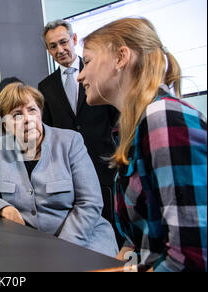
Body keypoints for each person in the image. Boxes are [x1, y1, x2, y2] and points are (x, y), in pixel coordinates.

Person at [77, 17, 207, 272]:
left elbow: (190, 260)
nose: (80, 75)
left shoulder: (163, 118)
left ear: (121, 57)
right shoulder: (136, 127)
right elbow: (141, 247)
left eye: (87, 62)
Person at [0, 82, 119, 257]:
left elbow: (90, 202)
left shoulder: (70, 141)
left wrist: (62, 247)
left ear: (40, 113)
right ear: (5, 125)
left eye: (32, 110)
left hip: (85, 242)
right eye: (17, 115)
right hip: (32, 248)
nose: (27, 119)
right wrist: (5, 209)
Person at [38, 20, 119, 224]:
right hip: (69, 173)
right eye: (53, 46)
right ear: (48, 50)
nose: (60, 49)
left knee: (112, 228)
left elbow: (118, 120)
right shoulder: (45, 86)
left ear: (74, 39)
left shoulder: (99, 71)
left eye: (63, 42)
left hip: (105, 167)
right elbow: (48, 132)